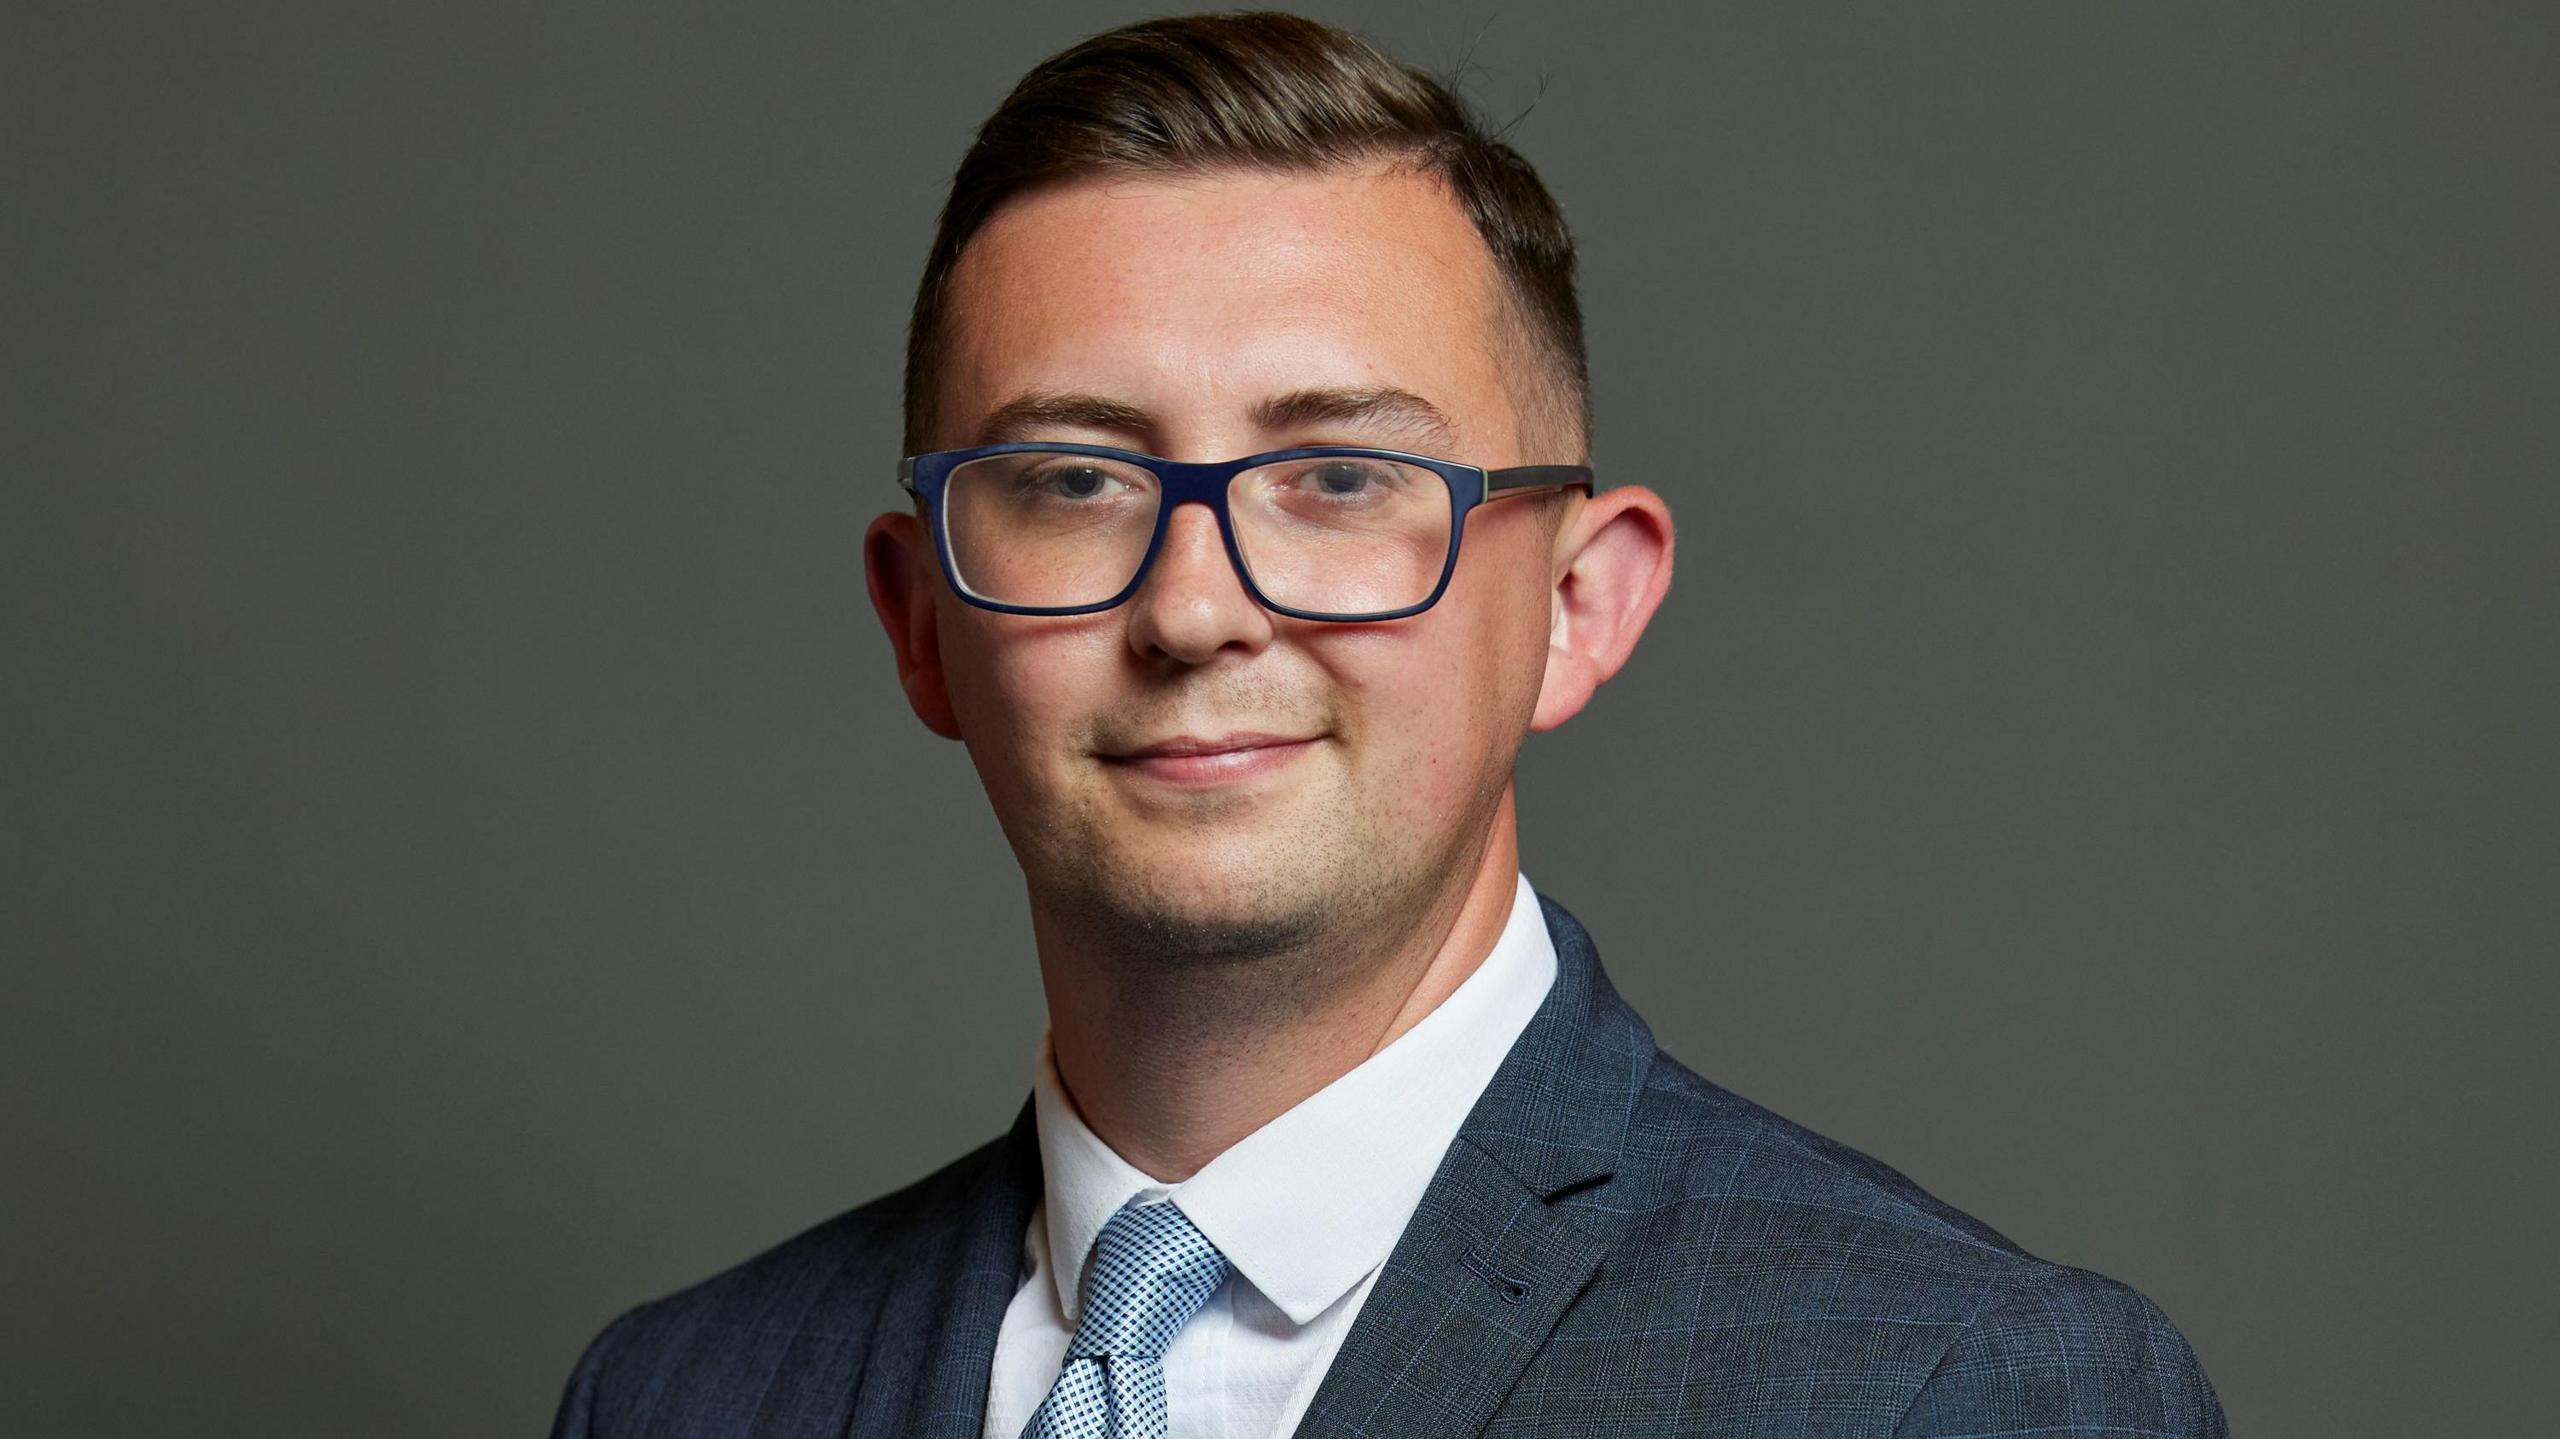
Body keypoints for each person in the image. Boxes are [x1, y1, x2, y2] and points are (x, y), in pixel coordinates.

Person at [550, 12, 2227, 1437]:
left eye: (1341, 476)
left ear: (1580, 606)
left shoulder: (1950, 1391)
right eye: (1071, 480)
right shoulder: (685, 1393)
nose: (1195, 609)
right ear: (922, 625)